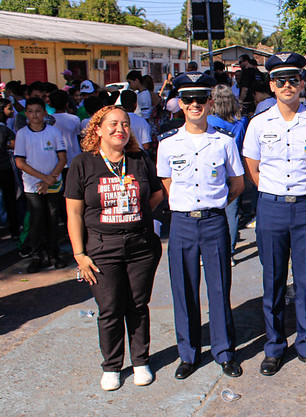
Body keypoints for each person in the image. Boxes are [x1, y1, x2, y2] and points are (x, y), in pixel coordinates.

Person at [242, 52, 306, 376]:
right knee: (272, 281)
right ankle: (274, 347)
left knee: (305, 279)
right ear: (272, 85)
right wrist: (275, 194)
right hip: (271, 208)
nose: (287, 85)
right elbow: (253, 170)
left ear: (302, 83)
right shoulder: (259, 124)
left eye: (293, 80)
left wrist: (305, 190)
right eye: (280, 80)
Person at [65, 105, 163, 391]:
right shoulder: (83, 163)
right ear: (97, 130)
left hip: (141, 246)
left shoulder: (139, 159)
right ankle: (111, 366)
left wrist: (137, 215)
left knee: (137, 305)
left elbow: (156, 194)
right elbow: (73, 213)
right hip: (101, 248)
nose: (120, 129)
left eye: (125, 124)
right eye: (112, 124)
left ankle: (141, 361)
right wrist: (79, 254)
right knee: (109, 308)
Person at [156, 71, 245, 380]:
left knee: (220, 288)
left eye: (200, 99)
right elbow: (167, 182)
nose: (194, 104)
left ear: (209, 103)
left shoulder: (224, 142)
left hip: (213, 222)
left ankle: (223, 351)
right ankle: (188, 353)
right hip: (181, 223)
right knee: (183, 290)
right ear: (180, 104)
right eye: (188, 99)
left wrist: (214, 202)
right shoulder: (167, 143)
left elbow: (237, 183)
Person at [13, 97, 67, 273]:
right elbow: (20, 162)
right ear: (26, 113)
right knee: (36, 221)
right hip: (33, 186)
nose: (34, 115)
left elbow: (62, 158)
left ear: (45, 112)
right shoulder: (22, 134)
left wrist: (50, 178)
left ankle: (54, 253)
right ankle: (37, 255)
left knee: (52, 219)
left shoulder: (53, 131)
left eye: (38, 111)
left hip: (53, 183)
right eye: (30, 111)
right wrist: (43, 178)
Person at [207, 84, 248, 260]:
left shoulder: (210, 122)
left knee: (213, 211)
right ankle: (229, 252)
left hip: (214, 169)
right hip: (235, 168)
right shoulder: (241, 122)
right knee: (232, 212)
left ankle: (211, 250)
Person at [0, 98, 19, 238]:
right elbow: (15, 144)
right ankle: (14, 230)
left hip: (5, 167)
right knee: (10, 199)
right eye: (9, 108)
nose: (12, 111)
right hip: (5, 167)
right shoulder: (5, 129)